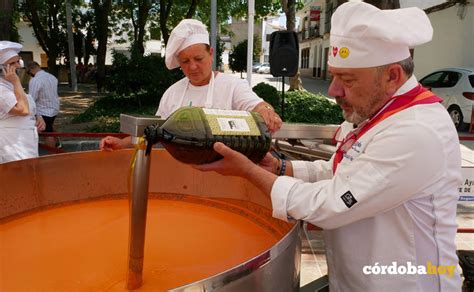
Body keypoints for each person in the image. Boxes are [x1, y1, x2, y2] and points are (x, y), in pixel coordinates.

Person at [195, 2, 462, 291]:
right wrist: (281, 167)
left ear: (392, 76)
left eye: (346, 79)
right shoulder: (374, 111)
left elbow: (334, 204)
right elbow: (346, 172)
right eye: (334, 76)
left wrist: (249, 172)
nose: (333, 91)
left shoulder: (416, 131)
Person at [100, 19, 282, 151]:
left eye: (198, 58)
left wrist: (266, 110)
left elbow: (256, 105)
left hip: (225, 176)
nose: (192, 67)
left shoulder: (232, 85)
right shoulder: (172, 93)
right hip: (180, 175)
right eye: (185, 61)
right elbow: (152, 134)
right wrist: (121, 144)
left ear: (211, 54)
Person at [0, 41, 45, 163]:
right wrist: (16, 81)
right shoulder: (2, 88)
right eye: (12, 63)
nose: (18, 66)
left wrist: (37, 118)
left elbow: (28, 108)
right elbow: (23, 110)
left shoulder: (11, 86)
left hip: (25, 143)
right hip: (12, 145)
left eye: (18, 61)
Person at [26, 61, 60, 148]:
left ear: (31, 69)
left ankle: (52, 153)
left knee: (47, 133)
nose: (30, 75)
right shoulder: (52, 77)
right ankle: (58, 144)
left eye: (29, 72)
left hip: (43, 110)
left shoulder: (35, 80)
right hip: (54, 108)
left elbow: (32, 98)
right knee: (50, 127)